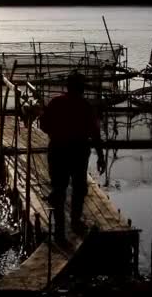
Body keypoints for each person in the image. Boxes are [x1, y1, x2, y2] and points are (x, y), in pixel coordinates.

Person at [39, 71, 106, 243]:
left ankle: (60, 231)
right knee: (78, 189)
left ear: (67, 87)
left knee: (59, 189)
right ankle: (75, 223)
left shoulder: (56, 103)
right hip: (78, 152)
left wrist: (57, 133)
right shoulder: (86, 106)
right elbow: (95, 134)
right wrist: (100, 156)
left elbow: (43, 125)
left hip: (58, 151)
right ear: (82, 88)